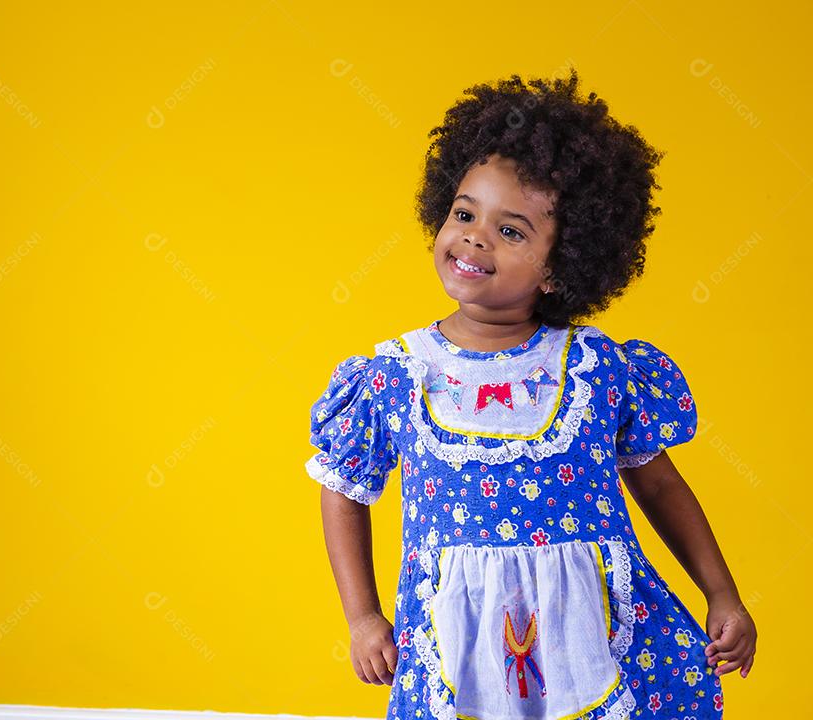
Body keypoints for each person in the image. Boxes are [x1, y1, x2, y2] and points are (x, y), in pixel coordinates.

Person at [305, 68, 756, 720]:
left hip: (593, 633)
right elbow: (344, 491)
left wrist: (722, 594)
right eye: (464, 214)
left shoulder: (597, 370)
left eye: (512, 231)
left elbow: (659, 485)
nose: (475, 236)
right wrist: (363, 617)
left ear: (561, 265)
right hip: (457, 640)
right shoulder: (394, 377)